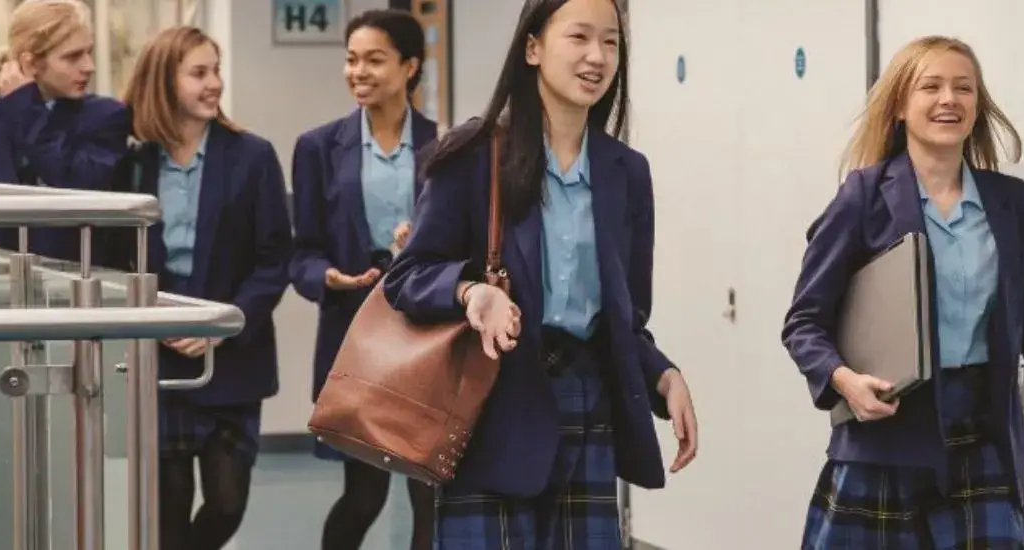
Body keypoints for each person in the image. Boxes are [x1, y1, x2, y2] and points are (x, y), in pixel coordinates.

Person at [381, 1, 699, 547]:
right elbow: (407, 277)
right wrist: (470, 291)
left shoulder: (627, 173)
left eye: (610, 42)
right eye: (579, 37)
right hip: (493, 409)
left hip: (587, 402)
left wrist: (663, 376)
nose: (596, 57)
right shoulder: (474, 156)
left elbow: (626, 318)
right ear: (533, 48)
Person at [780, 35, 1024, 549]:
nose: (949, 99)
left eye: (963, 88)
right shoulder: (862, 196)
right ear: (901, 107)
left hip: (982, 439)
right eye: (931, 86)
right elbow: (804, 323)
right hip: (884, 442)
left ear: (978, 105)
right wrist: (844, 382)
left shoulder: (1016, 204)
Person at [112, 26, 293, 549]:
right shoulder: (132, 163)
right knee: (167, 508)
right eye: (199, 73)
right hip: (158, 357)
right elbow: (112, 257)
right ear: (164, 82)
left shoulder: (252, 156)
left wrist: (221, 328)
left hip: (233, 355)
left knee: (226, 502)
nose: (214, 83)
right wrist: (154, 317)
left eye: (215, 70)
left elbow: (274, 257)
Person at [288, 9, 438, 550]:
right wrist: (326, 275)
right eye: (351, 60)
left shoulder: (446, 146)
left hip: (427, 335)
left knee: (430, 491)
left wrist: (419, 239)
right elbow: (300, 251)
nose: (359, 72)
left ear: (410, 67)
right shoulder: (317, 148)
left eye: (375, 60)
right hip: (355, 333)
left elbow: (461, 242)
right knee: (364, 492)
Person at [0, 0, 128, 261]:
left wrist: (26, 110)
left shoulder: (106, 116)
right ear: (31, 63)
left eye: (89, 52)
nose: (89, 66)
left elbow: (77, 185)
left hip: (79, 288)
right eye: (73, 56)